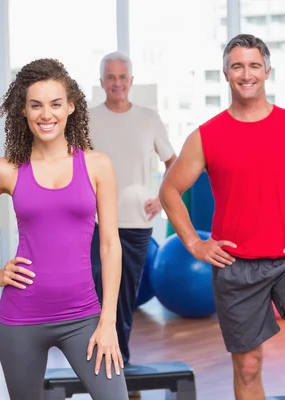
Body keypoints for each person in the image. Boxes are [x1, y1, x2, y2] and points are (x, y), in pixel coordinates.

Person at [159, 34, 285, 400]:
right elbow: (169, 190)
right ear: (226, 73)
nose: (246, 74)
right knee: (248, 367)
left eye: (253, 65)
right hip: (235, 266)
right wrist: (194, 244)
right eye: (237, 66)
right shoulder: (206, 135)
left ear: (267, 70)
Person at [0, 58, 129, 400]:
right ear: (23, 111)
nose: (47, 114)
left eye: (56, 104)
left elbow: (110, 246)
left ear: (71, 107)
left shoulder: (97, 165)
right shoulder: (7, 170)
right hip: (21, 318)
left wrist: (108, 322)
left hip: (83, 317)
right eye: (36, 105)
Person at [89, 51, 176, 371]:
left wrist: (162, 198)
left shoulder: (149, 118)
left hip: (136, 223)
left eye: (122, 77)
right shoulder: (86, 117)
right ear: (101, 82)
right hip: (96, 222)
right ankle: (95, 357)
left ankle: (118, 361)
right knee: (97, 289)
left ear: (131, 81)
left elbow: (174, 163)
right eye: (110, 77)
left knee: (124, 298)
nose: (117, 83)